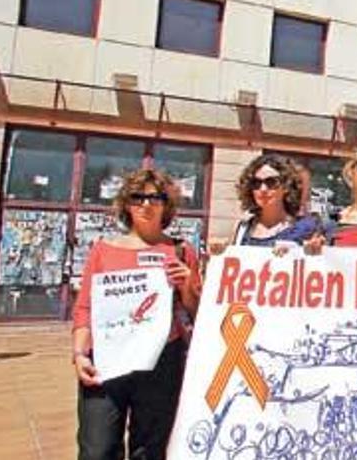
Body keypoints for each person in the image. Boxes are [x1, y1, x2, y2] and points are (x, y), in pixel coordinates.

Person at [72, 169, 202, 459]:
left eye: (155, 197)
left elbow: (197, 313)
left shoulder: (181, 251)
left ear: (166, 205)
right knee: (97, 448)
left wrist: (187, 286)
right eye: (138, 197)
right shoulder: (103, 250)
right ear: (126, 204)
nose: (146, 204)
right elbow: (85, 307)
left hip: (161, 362)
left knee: (150, 450)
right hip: (107, 359)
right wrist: (80, 354)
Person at [208, 154, 323, 255]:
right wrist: (219, 252)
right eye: (256, 183)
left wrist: (303, 252)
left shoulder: (307, 228)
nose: (263, 189)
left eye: (271, 182)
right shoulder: (242, 228)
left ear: (286, 186)